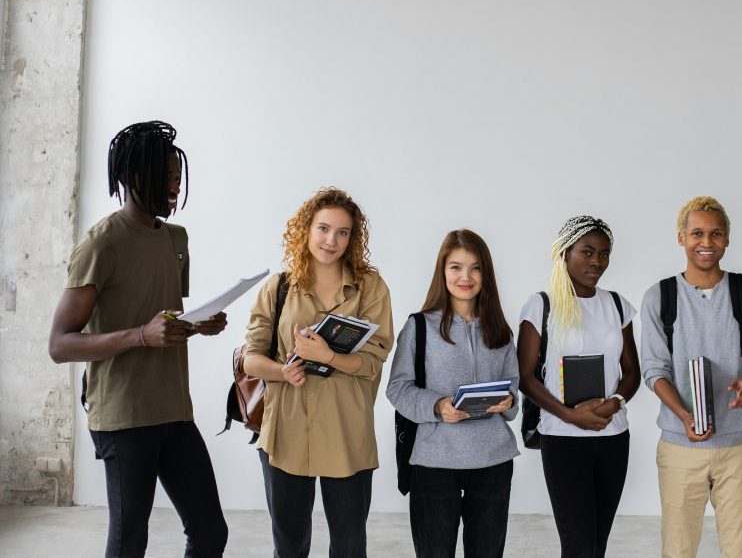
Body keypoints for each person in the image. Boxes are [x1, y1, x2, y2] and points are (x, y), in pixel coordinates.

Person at [48, 120, 229, 557]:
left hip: (173, 409)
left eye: (176, 177)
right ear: (131, 177)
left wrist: (197, 324)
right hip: (123, 416)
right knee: (130, 542)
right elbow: (60, 344)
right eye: (165, 178)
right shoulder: (100, 246)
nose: (174, 186)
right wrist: (141, 336)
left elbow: (162, 314)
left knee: (210, 533)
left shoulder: (176, 238)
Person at [243, 187, 393, 558]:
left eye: (343, 232)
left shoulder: (369, 288)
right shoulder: (277, 288)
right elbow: (250, 359)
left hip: (346, 431)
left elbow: (375, 359)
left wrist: (327, 356)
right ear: (306, 229)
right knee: (289, 547)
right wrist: (282, 371)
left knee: (349, 546)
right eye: (324, 228)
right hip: (285, 433)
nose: (332, 240)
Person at [640, 196, 742, 558]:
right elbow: (654, 370)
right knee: (679, 549)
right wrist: (684, 415)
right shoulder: (660, 296)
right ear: (681, 238)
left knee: (740, 549)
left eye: (716, 234)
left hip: (740, 444)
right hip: (680, 447)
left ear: (727, 239)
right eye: (697, 233)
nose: (706, 242)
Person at [386, 229, 520, 558]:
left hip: (493, 460)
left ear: (485, 273)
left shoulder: (500, 330)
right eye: (456, 267)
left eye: (475, 267)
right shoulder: (418, 327)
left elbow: (513, 386)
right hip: (433, 463)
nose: (466, 276)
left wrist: (510, 401)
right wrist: (437, 405)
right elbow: (397, 388)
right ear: (442, 271)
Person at [517, 215, 640, 558]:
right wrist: (571, 416)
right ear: (565, 252)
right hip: (564, 440)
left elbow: (631, 372)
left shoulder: (617, 305)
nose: (597, 262)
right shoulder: (541, 305)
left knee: (597, 544)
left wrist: (615, 401)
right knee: (578, 546)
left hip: (613, 438)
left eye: (604, 254)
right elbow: (525, 376)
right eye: (587, 252)